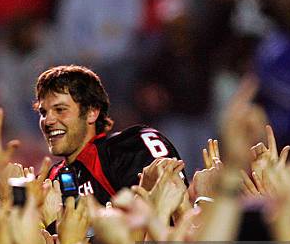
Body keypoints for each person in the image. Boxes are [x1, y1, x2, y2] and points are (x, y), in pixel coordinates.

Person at [35, 65, 182, 204]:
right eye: (43, 112)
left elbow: (171, 219)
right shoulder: (49, 181)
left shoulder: (130, 148)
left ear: (92, 112)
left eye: (60, 109)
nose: (48, 121)